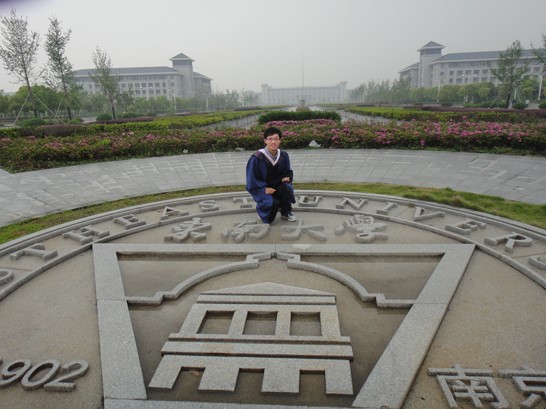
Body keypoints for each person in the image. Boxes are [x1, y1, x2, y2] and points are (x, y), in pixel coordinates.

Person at [246, 126, 297, 224]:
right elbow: (251, 179)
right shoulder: (257, 158)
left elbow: (288, 171)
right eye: (270, 139)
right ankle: (262, 211)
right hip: (263, 188)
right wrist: (264, 189)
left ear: (280, 140)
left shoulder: (283, 155)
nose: (273, 142)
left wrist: (288, 178)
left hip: (278, 185)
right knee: (271, 208)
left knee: (287, 188)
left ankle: (286, 212)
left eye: (276, 139)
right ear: (265, 140)